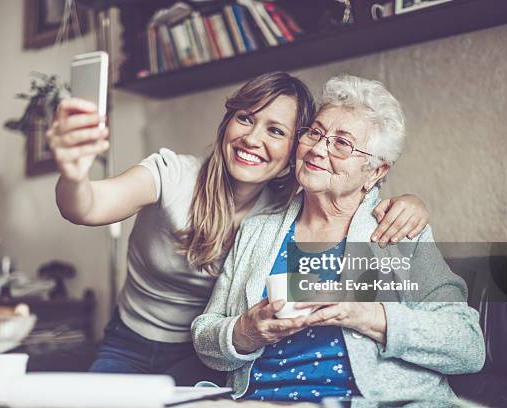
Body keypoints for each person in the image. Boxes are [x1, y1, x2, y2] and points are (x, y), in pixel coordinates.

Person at [47, 72, 430, 385]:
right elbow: (86, 207)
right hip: (130, 340)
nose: (252, 138)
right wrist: (72, 173)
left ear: (293, 147)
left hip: (207, 358)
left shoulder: (288, 204)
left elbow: (351, 180)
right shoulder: (174, 175)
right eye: (246, 118)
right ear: (227, 123)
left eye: (276, 131)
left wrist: (411, 202)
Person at [192, 74, 485, 401]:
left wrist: (365, 315)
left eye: (342, 143)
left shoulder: (397, 232)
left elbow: (468, 346)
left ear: (375, 171)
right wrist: (245, 331)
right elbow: (205, 335)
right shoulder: (258, 231)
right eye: (315, 133)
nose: (318, 149)